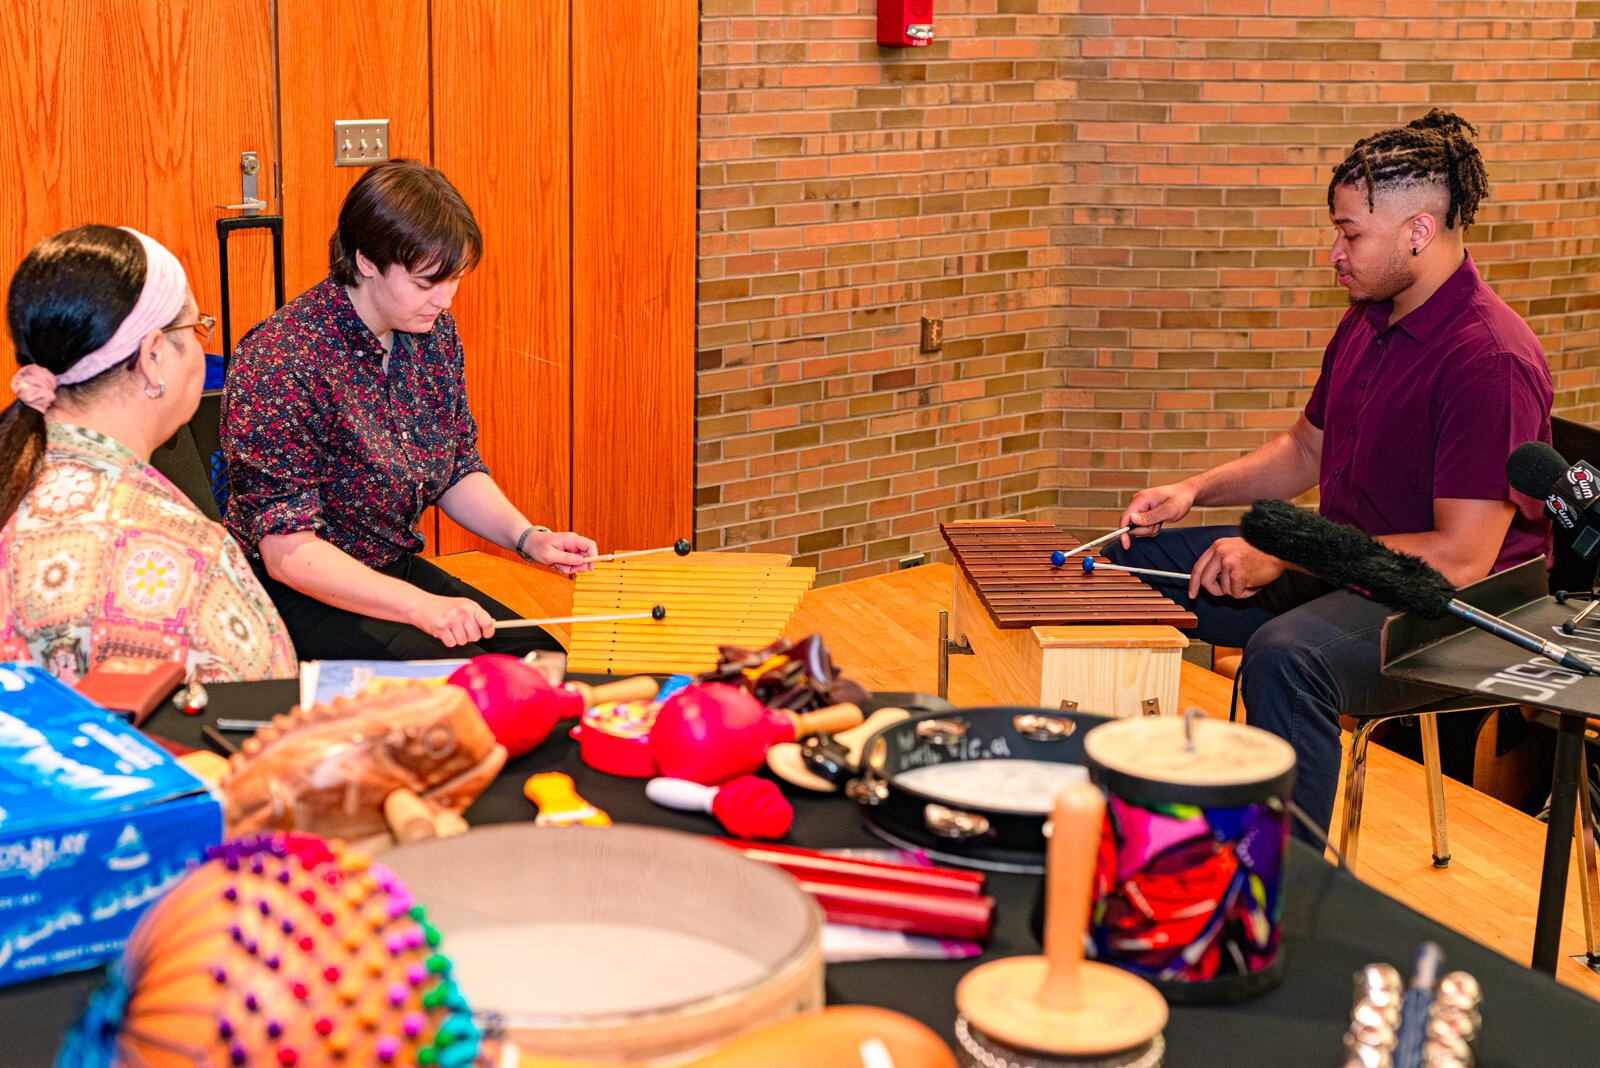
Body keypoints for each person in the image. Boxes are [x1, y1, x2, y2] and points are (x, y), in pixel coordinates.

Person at [1107, 109, 1554, 837]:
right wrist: (1193, 492)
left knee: (1286, 658)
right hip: (1347, 562)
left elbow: (1463, 558)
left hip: (1453, 609)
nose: (1334, 253)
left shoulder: (1490, 361)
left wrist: (1283, 550)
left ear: (1418, 231)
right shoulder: (1368, 317)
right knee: (1117, 572)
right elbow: (1305, 453)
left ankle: (1283, 894)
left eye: (1350, 233)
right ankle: (1120, 825)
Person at [222, 159, 596, 660]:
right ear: (366, 261)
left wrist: (528, 538)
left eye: (454, 279)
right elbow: (289, 554)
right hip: (293, 594)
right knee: (461, 690)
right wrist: (423, 608)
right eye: (426, 284)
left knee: (540, 662)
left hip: (389, 567)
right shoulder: (281, 361)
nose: (444, 299)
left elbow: (457, 466)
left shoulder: (431, 332)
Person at [0, 225, 296, 684]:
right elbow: (266, 713)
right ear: (153, 356)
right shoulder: (182, 555)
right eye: (196, 328)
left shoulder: (15, 479)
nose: (203, 348)